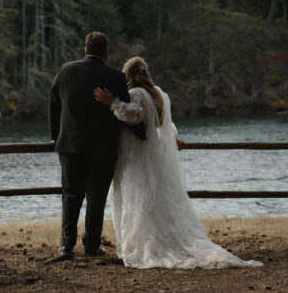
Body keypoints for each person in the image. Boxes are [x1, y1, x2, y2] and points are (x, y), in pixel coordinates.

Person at [93, 57, 262, 269]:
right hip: (154, 156)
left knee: (139, 198)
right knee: (155, 199)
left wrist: (113, 103)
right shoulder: (159, 93)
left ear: (128, 76)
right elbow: (163, 124)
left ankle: (147, 243)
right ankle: (158, 238)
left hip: (137, 154)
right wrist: (172, 139)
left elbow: (135, 115)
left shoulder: (136, 93)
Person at [49, 32, 145, 260]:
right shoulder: (115, 77)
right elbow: (123, 111)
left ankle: (66, 246)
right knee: (96, 197)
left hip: (70, 144)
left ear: (85, 49)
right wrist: (143, 134)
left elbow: (54, 102)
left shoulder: (66, 70)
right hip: (102, 148)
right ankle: (91, 245)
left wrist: (56, 134)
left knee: (71, 196)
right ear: (106, 51)